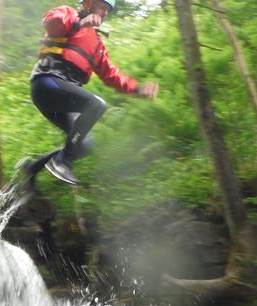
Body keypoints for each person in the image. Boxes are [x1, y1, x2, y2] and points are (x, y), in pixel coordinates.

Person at [18, 0, 160, 187]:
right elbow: (50, 21)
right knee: (96, 104)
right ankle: (62, 162)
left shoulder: (98, 45)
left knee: (84, 146)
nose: (105, 12)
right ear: (88, 4)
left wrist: (137, 88)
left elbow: (111, 75)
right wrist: (79, 23)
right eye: (102, 7)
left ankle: (32, 168)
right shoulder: (68, 15)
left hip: (63, 97)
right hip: (47, 81)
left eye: (108, 10)